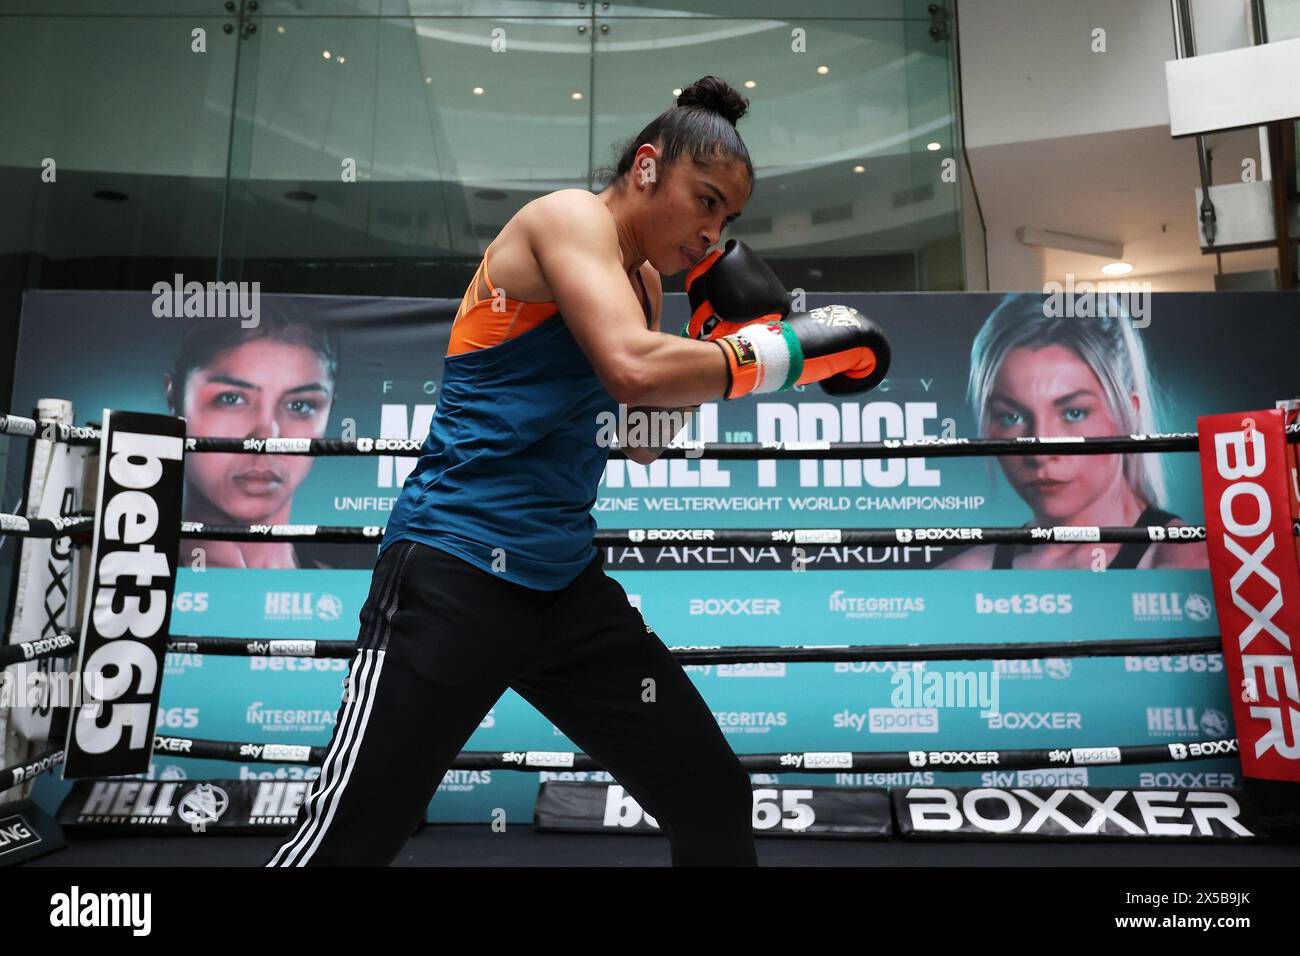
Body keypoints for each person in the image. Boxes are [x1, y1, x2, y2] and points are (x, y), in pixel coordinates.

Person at [266, 75, 888, 867]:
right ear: (646, 168)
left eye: (728, 218)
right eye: (704, 200)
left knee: (710, 794)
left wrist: (709, 340)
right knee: (352, 839)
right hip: (455, 571)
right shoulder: (564, 219)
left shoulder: (642, 283)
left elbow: (643, 436)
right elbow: (631, 369)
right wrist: (782, 352)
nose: (712, 232)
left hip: (563, 592)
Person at [939, 294, 1207, 570]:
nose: (1040, 449)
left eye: (1073, 413)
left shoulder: (1189, 567)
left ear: (1129, 413)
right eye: (1012, 416)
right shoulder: (963, 577)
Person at [165, 308, 374, 569]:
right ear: (174, 397)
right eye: (231, 398)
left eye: (300, 405)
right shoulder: (127, 574)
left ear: (329, 410)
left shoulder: (356, 581)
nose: (266, 435)